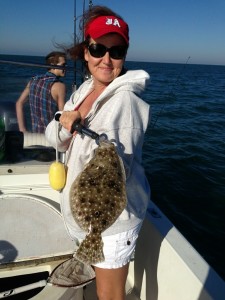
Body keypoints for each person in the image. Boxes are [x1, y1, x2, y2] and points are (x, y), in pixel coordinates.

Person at [45, 6, 150, 300]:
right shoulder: (84, 90)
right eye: (98, 48)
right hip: (93, 219)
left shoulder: (126, 103)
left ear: (125, 55)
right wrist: (66, 125)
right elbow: (53, 136)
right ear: (86, 52)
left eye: (116, 52)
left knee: (110, 296)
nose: (106, 58)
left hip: (114, 226)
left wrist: (106, 152)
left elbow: (121, 168)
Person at [16, 51, 67, 133]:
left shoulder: (33, 80)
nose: (66, 67)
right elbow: (63, 116)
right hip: (52, 137)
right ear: (53, 66)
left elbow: (19, 103)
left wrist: (22, 130)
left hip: (36, 134)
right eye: (63, 65)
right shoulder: (59, 86)